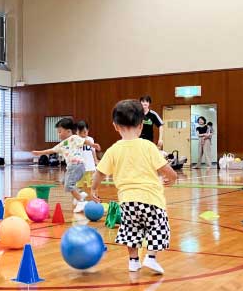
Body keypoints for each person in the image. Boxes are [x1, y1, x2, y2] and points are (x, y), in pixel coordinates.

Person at [91, 100, 177, 273]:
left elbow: (99, 172)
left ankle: (133, 261)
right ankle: (151, 257)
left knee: (131, 230)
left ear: (115, 126)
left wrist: (93, 189)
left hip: (127, 201)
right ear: (141, 124)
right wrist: (173, 177)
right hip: (151, 199)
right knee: (159, 227)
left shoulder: (114, 149)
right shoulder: (148, 146)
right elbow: (165, 169)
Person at [32, 118, 100, 213]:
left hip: (77, 165)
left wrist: (93, 145)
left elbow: (85, 141)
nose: (58, 134)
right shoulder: (62, 144)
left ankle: (81, 201)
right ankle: (80, 194)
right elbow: (51, 150)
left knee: (69, 185)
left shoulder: (74, 138)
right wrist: (39, 153)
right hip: (72, 167)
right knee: (64, 182)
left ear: (68, 131)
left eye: (60, 132)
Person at [76, 121, 99, 197]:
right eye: (81, 132)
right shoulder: (76, 140)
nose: (84, 134)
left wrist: (96, 161)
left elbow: (93, 151)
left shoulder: (91, 139)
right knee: (79, 185)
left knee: (93, 184)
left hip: (90, 167)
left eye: (85, 132)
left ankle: (96, 198)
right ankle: (79, 199)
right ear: (77, 132)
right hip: (80, 167)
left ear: (88, 131)